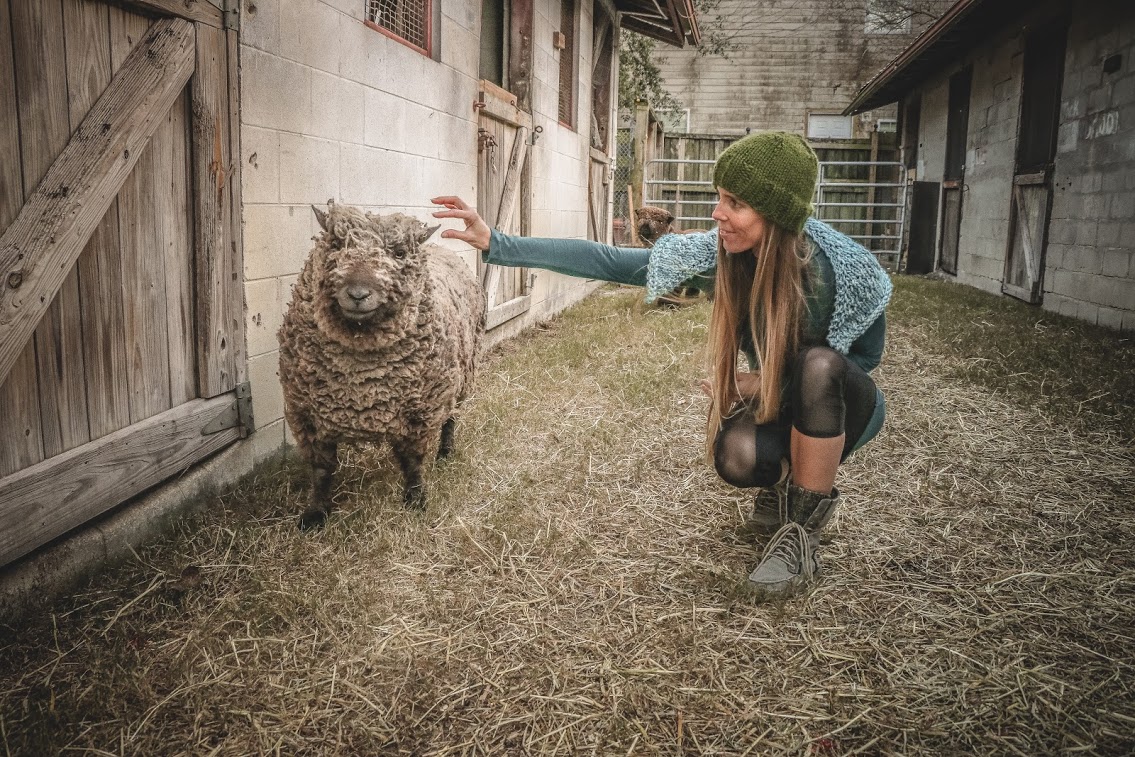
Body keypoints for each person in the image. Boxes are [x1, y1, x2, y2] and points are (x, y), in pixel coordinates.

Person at [431, 131, 891, 600]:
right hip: (784, 404)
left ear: (775, 211)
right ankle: (784, 483)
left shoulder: (843, 269)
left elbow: (864, 358)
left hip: (843, 409)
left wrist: (766, 382)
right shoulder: (719, 257)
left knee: (817, 365)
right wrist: (498, 242)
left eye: (735, 203)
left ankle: (800, 535)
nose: (717, 213)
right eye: (719, 198)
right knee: (736, 456)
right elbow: (607, 260)